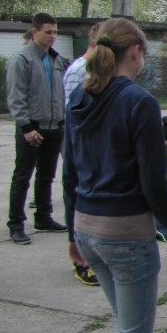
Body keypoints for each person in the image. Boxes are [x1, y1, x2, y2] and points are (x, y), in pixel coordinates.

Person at [36, 18, 167, 333]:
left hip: (89, 228)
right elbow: (153, 178)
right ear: (136, 51)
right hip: (125, 235)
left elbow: (71, 173)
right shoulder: (138, 102)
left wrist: (72, 237)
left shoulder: (81, 97)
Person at [6, 13, 69, 245]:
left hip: (54, 127)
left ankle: (43, 217)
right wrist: (26, 127)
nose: (53, 36)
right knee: (22, 176)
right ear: (35, 32)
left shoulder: (55, 60)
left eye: (55, 32)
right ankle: (16, 224)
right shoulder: (22, 59)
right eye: (48, 32)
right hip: (32, 129)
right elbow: (16, 97)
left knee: (47, 175)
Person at [62, 22, 102, 286]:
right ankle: (80, 259)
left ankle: (93, 254)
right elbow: (76, 113)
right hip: (81, 145)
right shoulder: (80, 70)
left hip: (92, 145)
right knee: (78, 198)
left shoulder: (94, 70)